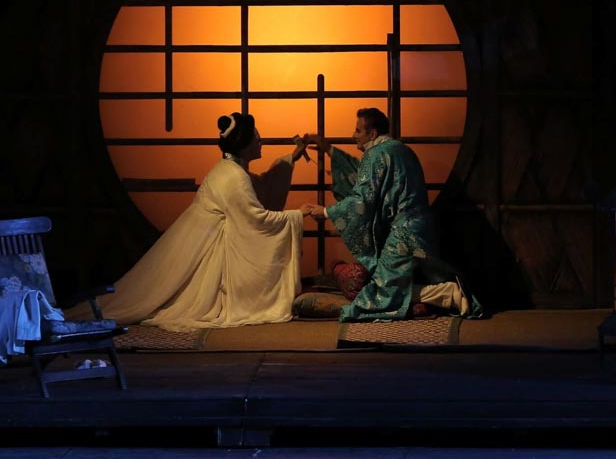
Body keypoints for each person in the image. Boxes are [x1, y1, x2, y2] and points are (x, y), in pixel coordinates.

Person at [76, 112, 309, 331]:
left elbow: (262, 187)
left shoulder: (232, 170)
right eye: (257, 139)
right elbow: (257, 219)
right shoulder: (233, 177)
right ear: (244, 145)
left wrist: (291, 159)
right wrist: (298, 214)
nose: (261, 143)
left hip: (202, 235)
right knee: (179, 302)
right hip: (208, 242)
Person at [301, 107, 477, 322]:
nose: (353, 135)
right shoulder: (402, 150)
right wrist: (327, 148)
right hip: (423, 227)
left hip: (402, 233)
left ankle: (446, 294)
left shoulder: (374, 154)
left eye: (358, 130)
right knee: (395, 282)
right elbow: (361, 175)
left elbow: (362, 198)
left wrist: (326, 211)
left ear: (372, 133)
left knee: (380, 291)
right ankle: (445, 292)